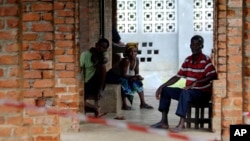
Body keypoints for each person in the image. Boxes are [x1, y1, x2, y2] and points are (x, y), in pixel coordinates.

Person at [150, 35, 217, 132]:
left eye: (197, 45)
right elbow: (177, 77)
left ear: (201, 46)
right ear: (190, 46)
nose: (195, 47)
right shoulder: (188, 60)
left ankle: (181, 124)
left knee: (185, 92)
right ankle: (164, 122)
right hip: (189, 92)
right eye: (193, 45)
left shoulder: (205, 60)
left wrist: (196, 82)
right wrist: (162, 86)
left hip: (202, 93)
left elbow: (212, 75)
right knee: (166, 90)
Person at [80, 38, 110, 117]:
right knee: (77, 100)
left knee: (102, 67)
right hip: (87, 82)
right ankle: (95, 108)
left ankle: (99, 92)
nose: (100, 48)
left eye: (103, 47)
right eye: (99, 46)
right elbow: (79, 69)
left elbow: (104, 61)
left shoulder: (104, 54)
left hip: (98, 84)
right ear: (96, 44)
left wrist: (95, 53)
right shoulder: (85, 54)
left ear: (105, 49)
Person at [119, 42, 153, 110]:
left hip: (129, 77)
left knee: (138, 83)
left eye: (134, 51)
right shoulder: (126, 61)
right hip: (122, 78)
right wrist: (133, 77)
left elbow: (136, 72)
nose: (133, 53)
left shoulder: (136, 60)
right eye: (130, 51)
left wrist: (138, 77)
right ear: (127, 52)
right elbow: (123, 75)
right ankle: (124, 104)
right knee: (125, 83)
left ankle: (143, 103)